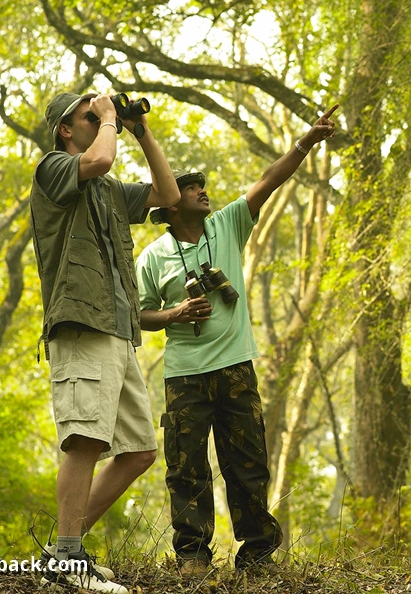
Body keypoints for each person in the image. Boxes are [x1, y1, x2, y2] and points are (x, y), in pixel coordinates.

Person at [136, 105, 338, 574]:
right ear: (168, 204)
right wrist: (176, 313)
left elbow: (269, 180)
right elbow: (140, 314)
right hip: (184, 374)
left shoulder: (226, 225)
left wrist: (306, 141)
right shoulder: (153, 256)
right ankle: (192, 556)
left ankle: (258, 556)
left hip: (235, 367)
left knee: (247, 462)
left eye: (200, 185)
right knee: (186, 469)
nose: (201, 191)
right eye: (190, 187)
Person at [30, 91, 180, 593]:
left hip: (119, 330)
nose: (99, 123)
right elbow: (98, 159)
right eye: (88, 118)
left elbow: (168, 195)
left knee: (138, 450)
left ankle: (62, 553)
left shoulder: (110, 188)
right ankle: (70, 559)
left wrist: (141, 131)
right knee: (86, 440)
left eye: (101, 117)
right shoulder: (53, 168)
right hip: (81, 324)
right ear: (65, 130)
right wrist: (112, 121)